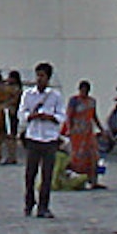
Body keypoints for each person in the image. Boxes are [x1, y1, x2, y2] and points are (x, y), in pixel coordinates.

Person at [18, 66, 68, 218]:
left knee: (47, 174)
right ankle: (29, 201)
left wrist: (51, 117)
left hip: (49, 138)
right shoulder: (28, 94)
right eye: (38, 75)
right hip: (33, 136)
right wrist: (31, 116)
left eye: (43, 76)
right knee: (30, 174)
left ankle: (43, 206)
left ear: (48, 78)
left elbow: (61, 115)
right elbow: (22, 113)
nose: (40, 79)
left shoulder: (55, 96)